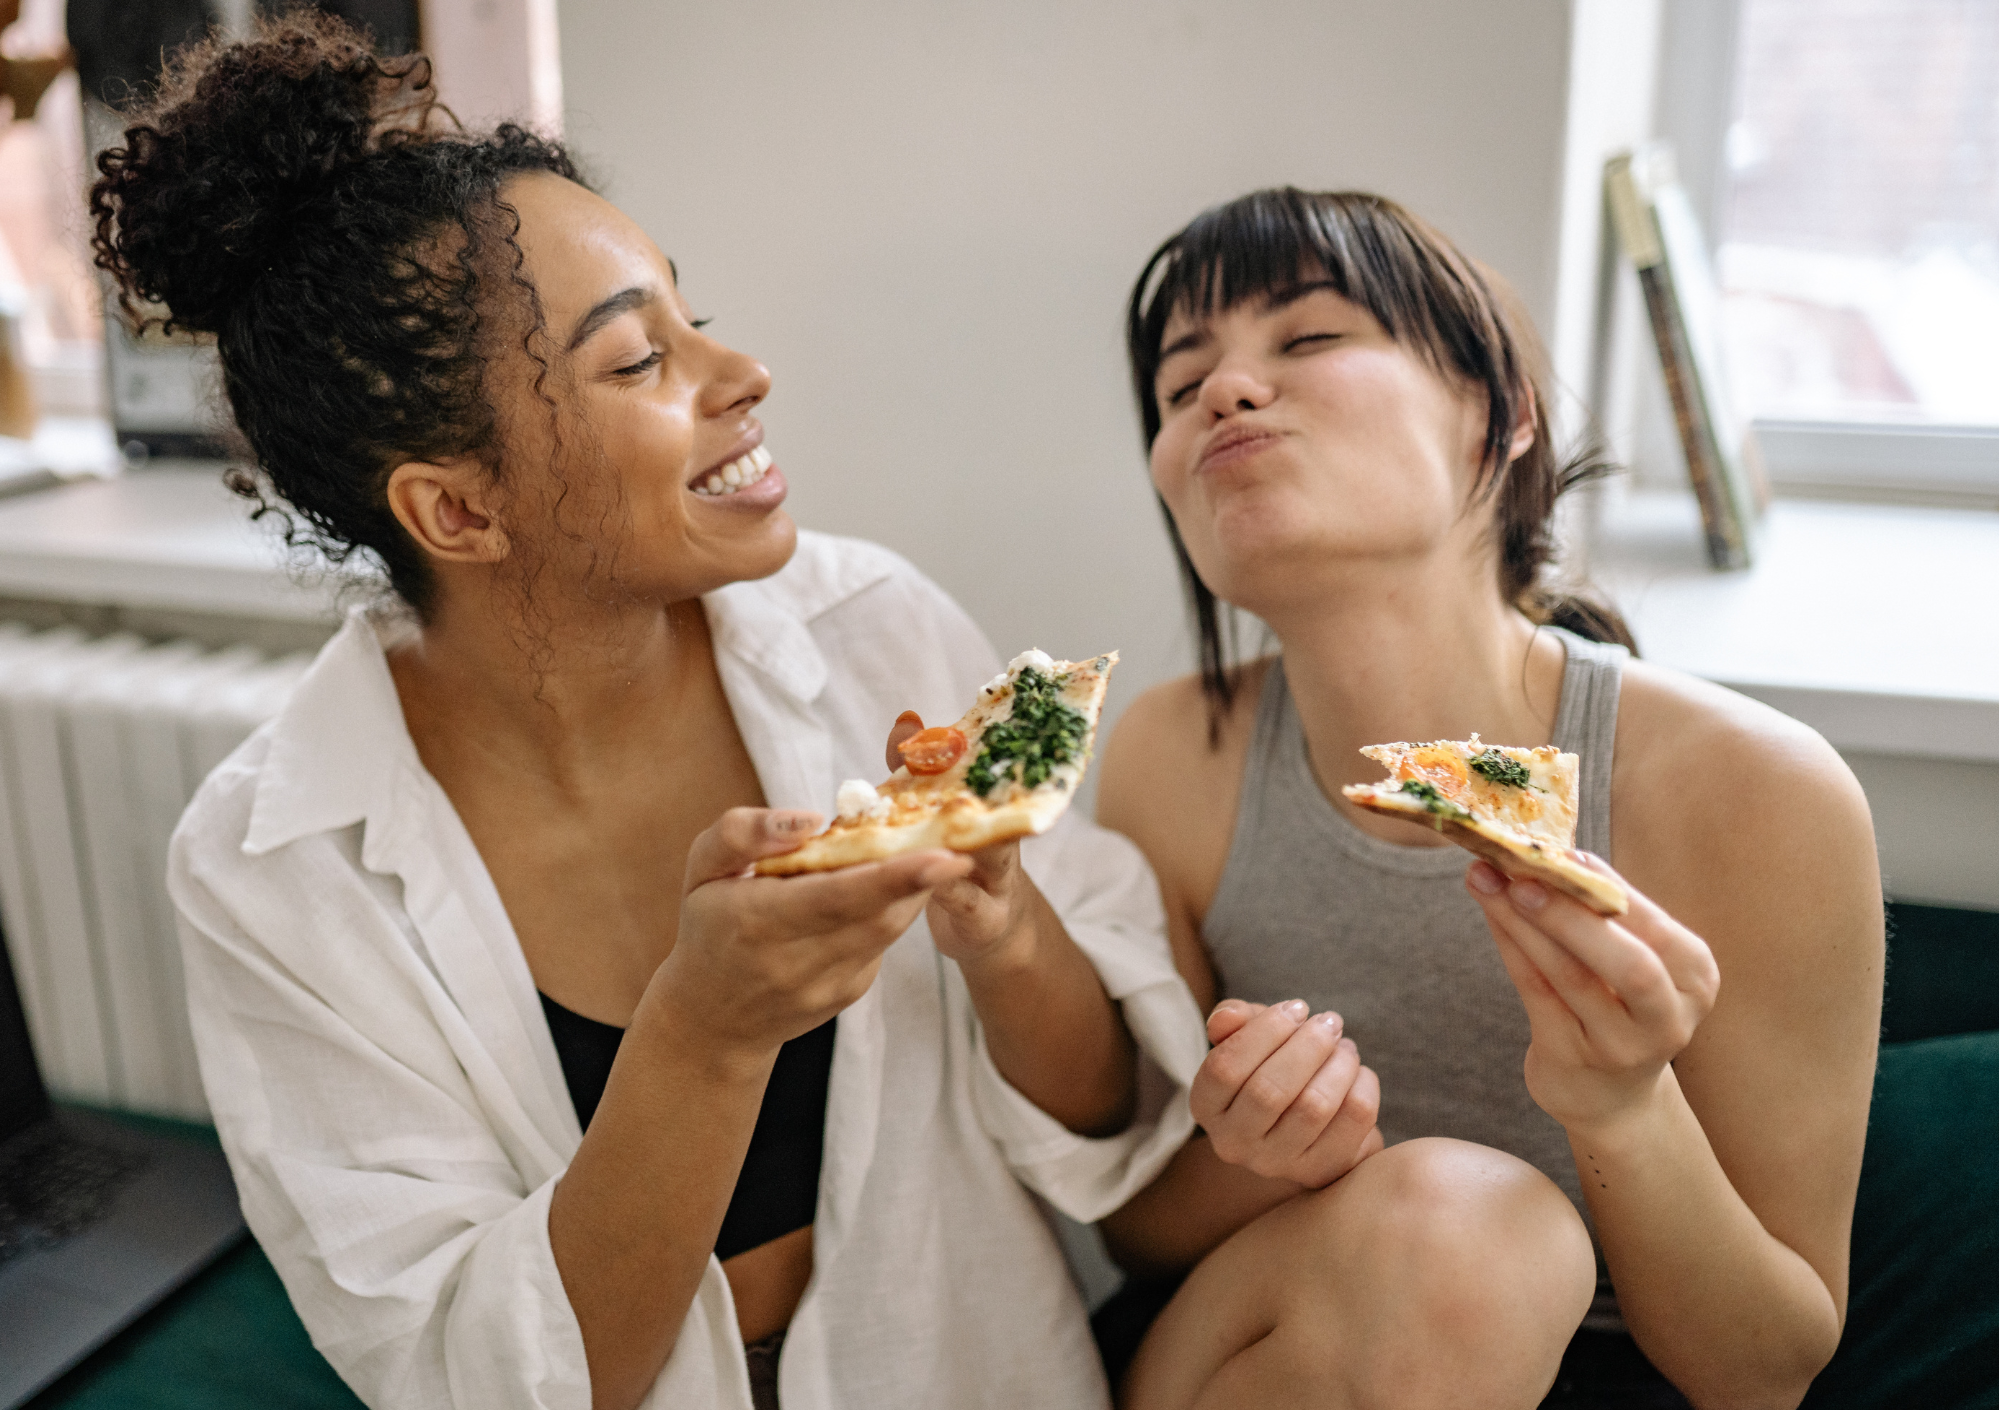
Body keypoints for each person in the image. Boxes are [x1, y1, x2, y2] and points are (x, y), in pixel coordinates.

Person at [99, 17, 1207, 1410]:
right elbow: (474, 1375)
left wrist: (1000, 920)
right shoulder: (272, 861)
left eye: (696, 315)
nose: (740, 378)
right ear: (459, 507)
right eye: (636, 364)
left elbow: (1117, 1114)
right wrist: (708, 1030)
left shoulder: (877, 631)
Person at [1093, 188, 1883, 1410]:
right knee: (1465, 1225)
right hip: (1255, 1344)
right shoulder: (1166, 754)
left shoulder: (1756, 794)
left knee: (1486, 1234)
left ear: (1500, 418)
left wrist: (1619, 1108)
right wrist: (1270, 1163)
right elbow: (1135, 1236)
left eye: (1306, 340)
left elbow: (1763, 1371)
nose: (1223, 392)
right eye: (1178, 381)